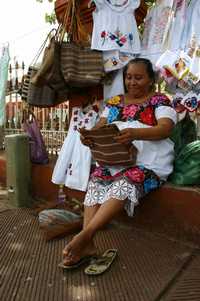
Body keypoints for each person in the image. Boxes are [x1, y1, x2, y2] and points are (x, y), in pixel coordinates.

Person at [62, 58, 177, 266]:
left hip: (149, 163)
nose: (132, 82)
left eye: (139, 78)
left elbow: (165, 129)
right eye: (129, 77)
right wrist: (89, 137)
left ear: (151, 80)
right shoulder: (115, 102)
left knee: (126, 181)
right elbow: (100, 127)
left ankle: (85, 236)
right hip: (115, 160)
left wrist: (135, 133)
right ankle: (87, 243)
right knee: (97, 179)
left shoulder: (160, 100)